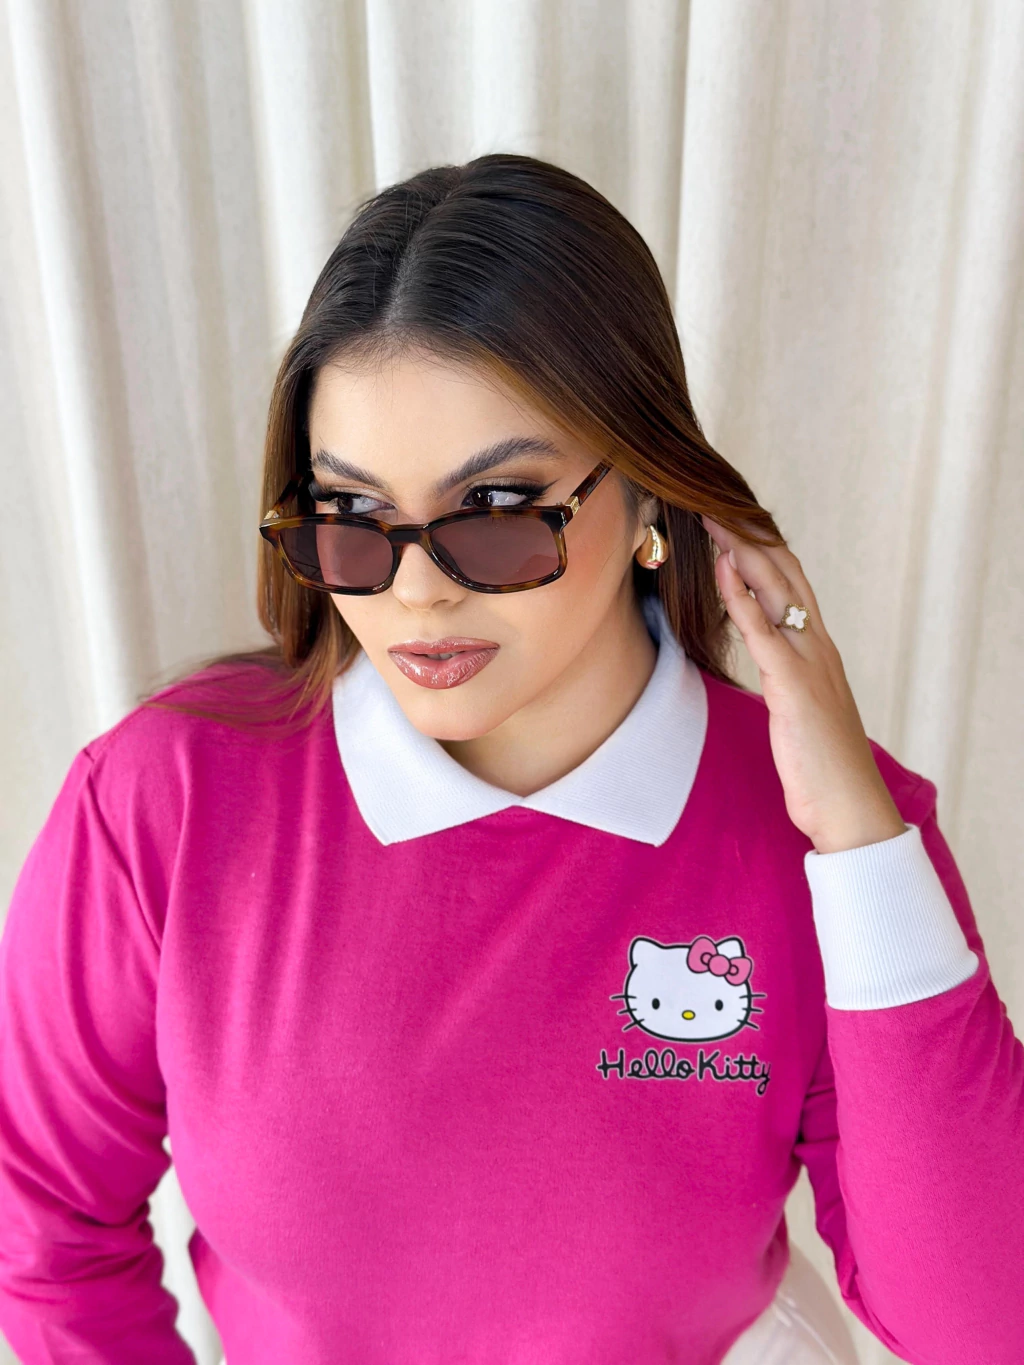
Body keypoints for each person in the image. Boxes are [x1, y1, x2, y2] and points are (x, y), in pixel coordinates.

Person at [0, 153, 1020, 1365]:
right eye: (354, 519)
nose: (417, 594)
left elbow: (980, 1325)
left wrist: (857, 834)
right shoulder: (163, 801)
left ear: (647, 496)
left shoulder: (834, 836)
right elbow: (44, 1234)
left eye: (493, 512)